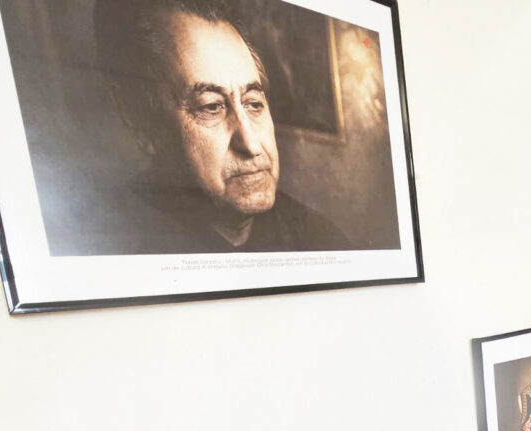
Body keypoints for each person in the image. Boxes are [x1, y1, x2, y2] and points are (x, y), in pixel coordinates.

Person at [93, 0, 350, 253]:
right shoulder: (112, 245)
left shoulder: (321, 240)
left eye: (254, 103)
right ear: (141, 118)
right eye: (211, 107)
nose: (251, 144)